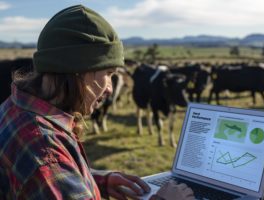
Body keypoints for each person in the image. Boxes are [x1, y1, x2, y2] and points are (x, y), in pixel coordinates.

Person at [0, 5, 195, 200]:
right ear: (78, 68)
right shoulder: (47, 154)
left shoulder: (16, 106)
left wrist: (98, 181)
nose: (110, 88)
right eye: (108, 74)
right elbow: (49, 170)